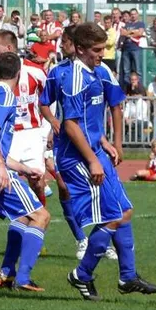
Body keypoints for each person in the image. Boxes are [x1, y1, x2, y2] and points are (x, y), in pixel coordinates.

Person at [55, 22, 156, 300]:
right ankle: (82, 274)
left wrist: (113, 142)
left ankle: (127, 277)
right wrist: (93, 160)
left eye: (105, 48)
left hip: (95, 150)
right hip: (76, 157)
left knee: (125, 210)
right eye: (97, 49)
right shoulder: (73, 77)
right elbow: (71, 126)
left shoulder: (100, 71)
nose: (103, 54)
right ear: (80, 49)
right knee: (114, 215)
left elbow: (115, 104)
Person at [39, 25, 118, 260]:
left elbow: (93, 113)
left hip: (90, 144)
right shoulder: (57, 72)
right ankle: (81, 240)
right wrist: (54, 121)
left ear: (76, 45)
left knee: (107, 197)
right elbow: (45, 103)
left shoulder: (98, 71)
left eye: (65, 42)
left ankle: (105, 242)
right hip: (66, 143)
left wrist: (105, 140)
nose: (62, 46)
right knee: (63, 187)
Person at [0, 52, 51, 291]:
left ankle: (7, 272)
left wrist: (23, 168)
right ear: (18, 73)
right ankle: (23, 278)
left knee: (23, 217)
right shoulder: (5, 96)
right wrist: (1, 166)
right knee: (41, 217)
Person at [0, 30, 49, 209]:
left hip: (32, 133)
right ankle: (34, 221)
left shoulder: (35, 71)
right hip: (7, 136)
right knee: (3, 183)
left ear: (8, 47)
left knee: (37, 182)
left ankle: (38, 219)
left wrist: (49, 126)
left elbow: (47, 100)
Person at [120, 8, 145, 91]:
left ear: (137, 15)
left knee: (138, 70)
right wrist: (134, 32)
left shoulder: (140, 23)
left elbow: (140, 33)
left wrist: (129, 33)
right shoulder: (126, 24)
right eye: (132, 14)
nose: (133, 16)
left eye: (134, 14)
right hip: (126, 49)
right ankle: (127, 89)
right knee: (126, 71)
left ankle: (139, 89)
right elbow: (122, 33)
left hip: (136, 49)